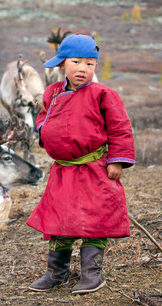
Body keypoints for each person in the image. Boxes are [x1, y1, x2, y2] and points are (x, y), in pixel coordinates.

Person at [26, 33, 135, 294]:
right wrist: (44, 131)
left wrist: (117, 161)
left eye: (90, 63)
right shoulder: (52, 93)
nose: (83, 69)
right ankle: (56, 272)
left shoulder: (102, 94)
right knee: (59, 218)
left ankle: (92, 275)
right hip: (62, 170)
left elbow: (120, 128)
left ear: (95, 66)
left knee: (95, 219)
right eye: (76, 62)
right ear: (62, 64)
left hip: (94, 168)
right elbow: (43, 116)